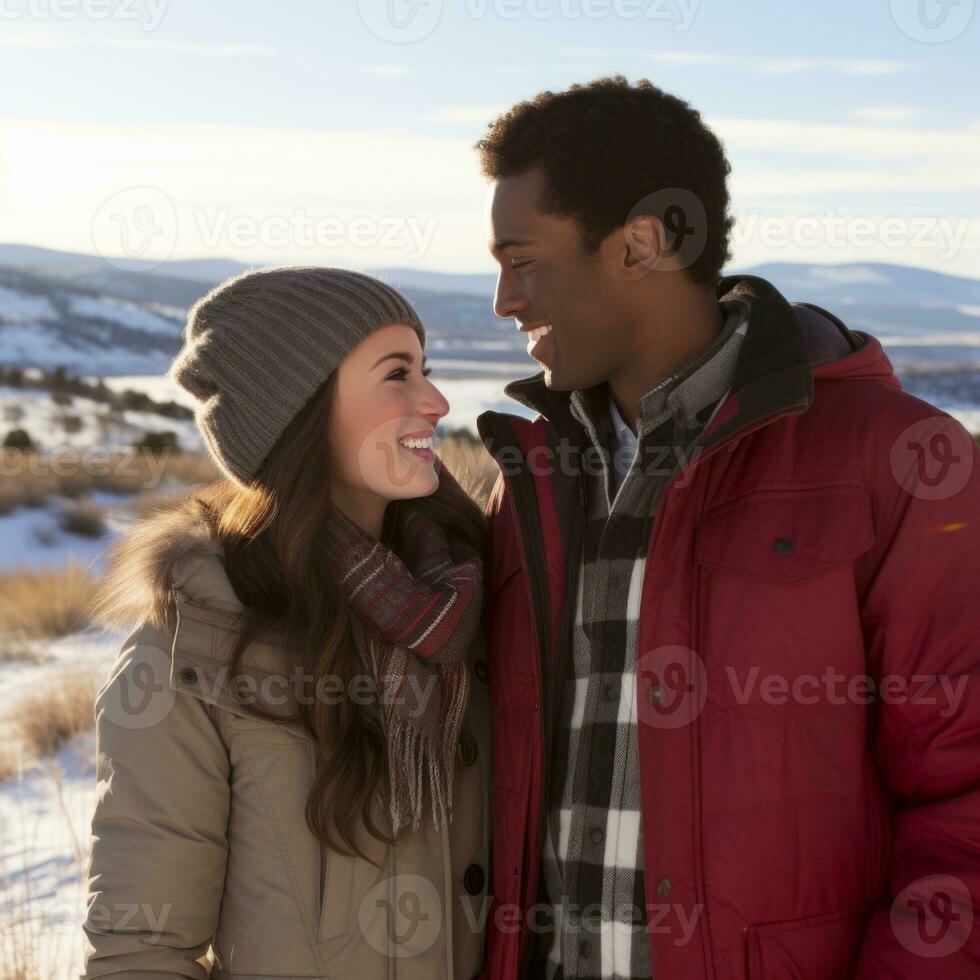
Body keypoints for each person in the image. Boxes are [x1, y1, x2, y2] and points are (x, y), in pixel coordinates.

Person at [472, 75, 980, 979]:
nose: (505, 302)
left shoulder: (899, 466)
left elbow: (964, 803)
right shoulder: (532, 483)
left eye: (523, 260)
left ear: (639, 245)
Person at [80, 267, 492, 979]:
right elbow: (142, 951)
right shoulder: (197, 639)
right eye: (397, 375)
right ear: (299, 411)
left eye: (428, 369)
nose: (435, 401)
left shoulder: (474, 600)